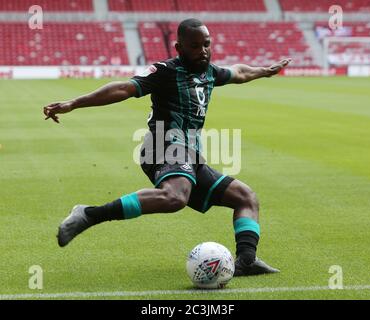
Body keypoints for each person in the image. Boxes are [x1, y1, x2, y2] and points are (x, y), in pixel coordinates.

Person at [43, 18, 291, 276]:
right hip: (163, 145)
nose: (203, 50)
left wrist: (265, 70)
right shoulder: (165, 72)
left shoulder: (210, 73)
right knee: (175, 197)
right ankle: (89, 214)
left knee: (245, 197)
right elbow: (123, 88)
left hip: (191, 156)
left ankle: (247, 261)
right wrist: (74, 103)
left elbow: (239, 72)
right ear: (178, 47)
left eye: (206, 44)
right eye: (195, 46)